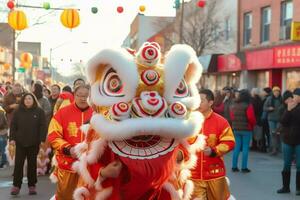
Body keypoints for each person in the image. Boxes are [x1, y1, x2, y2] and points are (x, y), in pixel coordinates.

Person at [48, 85, 93, 200]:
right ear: (74, 96)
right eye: (80, 96)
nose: (83, 99)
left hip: (92, 166)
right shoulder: (62, 113)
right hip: (68, 164)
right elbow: (53, 135)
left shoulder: (97, 114)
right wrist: (68, 149)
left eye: (86, 96)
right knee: (65, 196)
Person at [191, 89, 235, 199]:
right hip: (194, 175)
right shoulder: (189, 121)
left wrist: (214, 150)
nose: (198, 103)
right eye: (196, 100)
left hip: (215, 173)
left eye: (201, 100)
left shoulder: (221, 121)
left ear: (210, 103)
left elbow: (229, 142)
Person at [9, 93, 47, 195]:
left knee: (32, 165)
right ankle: (16, 186)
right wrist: (12, 139)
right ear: (23, 100)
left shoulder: (39, 111)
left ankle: (32, 185)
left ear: (33, 100)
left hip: (34, 143)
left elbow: (43, 126)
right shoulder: (17, 111)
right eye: (25, 99)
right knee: (18, 165)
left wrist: (42, 140)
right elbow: (13, 126)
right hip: (20, 142)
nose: (27, 100)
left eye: (30, 98)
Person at [277, 88, 300, 195]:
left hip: (299, 141)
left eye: (296, 96)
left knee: (299, 165)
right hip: (287, 140)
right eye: (294, 96)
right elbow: (282, 121)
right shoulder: (284, 108)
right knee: (286, 164)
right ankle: (285, 187)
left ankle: (299, 189)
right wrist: (289, 110)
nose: (294, 98)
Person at [231, 89, 256, 173]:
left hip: (236, 129)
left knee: (237, 147)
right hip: (246, 129)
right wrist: (253, 125)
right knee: (245, 147)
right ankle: (244, 167)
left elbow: (232, 116)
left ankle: (234, 166)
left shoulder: (234, 104)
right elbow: (251, 118)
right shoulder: (248, 105)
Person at [263, 86, 283, 155]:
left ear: (279, 92)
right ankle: (274, 149)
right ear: (273, 92)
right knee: (272, 134)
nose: (276, 93)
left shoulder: (282, 99)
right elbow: (264, 108)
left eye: (277, 91)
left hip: (279, 119)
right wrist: (269, 108)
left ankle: (279, 149)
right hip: (271, 119)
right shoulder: (269, 98)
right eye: (275, 91)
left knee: (279, 134)